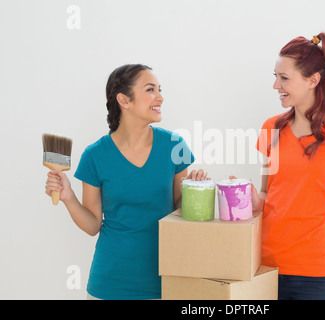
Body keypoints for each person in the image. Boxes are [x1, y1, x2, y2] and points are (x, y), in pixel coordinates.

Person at [45, 64, 208, 300]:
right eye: (151, 89)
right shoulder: (95, 155)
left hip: (166, 280)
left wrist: (194, 190)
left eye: (160, 89)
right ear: (124, 100)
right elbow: (92, 225)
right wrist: (68, 198)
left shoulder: (175, 145)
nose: (160, 97)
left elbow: (181, 210)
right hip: (110, 284)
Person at [249, 33, 325, 300]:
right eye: (275, 76)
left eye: (284, 78)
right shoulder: (271, 128)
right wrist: (254, 200)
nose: (275, 85)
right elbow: (267, 195)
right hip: (265, 265)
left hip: (316, 272)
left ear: (313, 80)